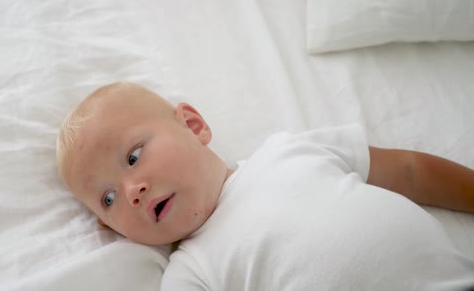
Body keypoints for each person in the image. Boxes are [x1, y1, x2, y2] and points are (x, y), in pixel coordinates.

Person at [56, 82, 474, 290]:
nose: (132, 190)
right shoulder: (192, 271)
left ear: (193, 126)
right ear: (110, 227)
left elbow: (409, 172)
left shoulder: (288, 150)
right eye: (108, 198)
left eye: (133, 157)